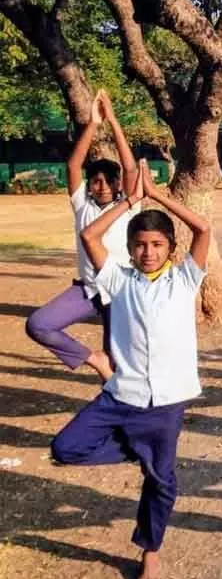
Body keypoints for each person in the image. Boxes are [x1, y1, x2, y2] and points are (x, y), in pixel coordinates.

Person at [51, 159, 212, 579]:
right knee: (66, 448)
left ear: (169, 248)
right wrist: (129, 201)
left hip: (166, 403)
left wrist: (158, 196)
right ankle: (137, 450)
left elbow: (203, 231)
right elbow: (89, 235)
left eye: (157, 244)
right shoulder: (117, 280)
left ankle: (150, 552)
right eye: (140, 244)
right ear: (130, 248)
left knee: (161, 482)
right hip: (120, 395)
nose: (148, 252)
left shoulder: (184, 281)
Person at [25, 90, 138, 381]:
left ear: (117, 185)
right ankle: (93, 359)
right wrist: (92, 124)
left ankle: (117, 414)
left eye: (107, 181)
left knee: (118, 367)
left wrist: (112, 122)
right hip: (87, 290)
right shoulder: (82, 206)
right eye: (95, 181)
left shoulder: (129, 206)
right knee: (39, 324)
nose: (100, 186)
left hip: (119, 292)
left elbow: (129, 167)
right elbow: (73, 166)